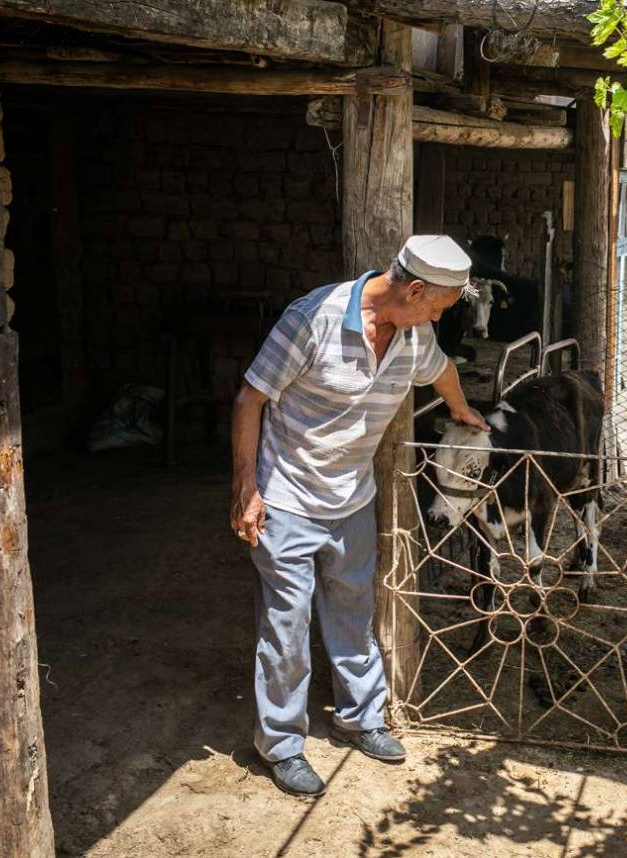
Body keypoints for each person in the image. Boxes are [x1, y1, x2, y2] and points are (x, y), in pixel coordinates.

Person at [230, 235, 488, 796]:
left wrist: (460, 407)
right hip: (288, 498)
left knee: (352, 610)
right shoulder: (312, 318)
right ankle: (281, 745)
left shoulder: (415, 334)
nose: (441, 316)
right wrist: (247, 489)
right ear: (415, 289)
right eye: (439, 305)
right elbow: (250, 398)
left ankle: (360, 718)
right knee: (286, 626)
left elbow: (441, 370)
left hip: (352, 500)